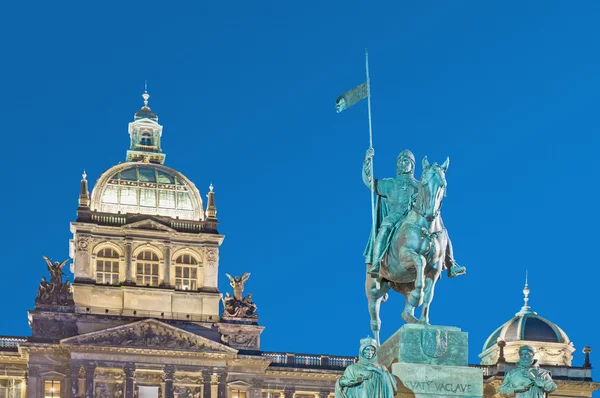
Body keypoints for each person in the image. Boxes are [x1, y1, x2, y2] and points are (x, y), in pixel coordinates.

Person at [363, 148, 466, 278]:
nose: (402, 163)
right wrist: (367, 161)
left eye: (406, 161)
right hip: (395, 217)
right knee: (384, 229)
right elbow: (370, 182)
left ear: (412, 165)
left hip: (414, 218)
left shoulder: (420, 185)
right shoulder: (389, 183)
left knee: (442, 230)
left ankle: (451, 264)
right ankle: (376, 263)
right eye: (399, 161)